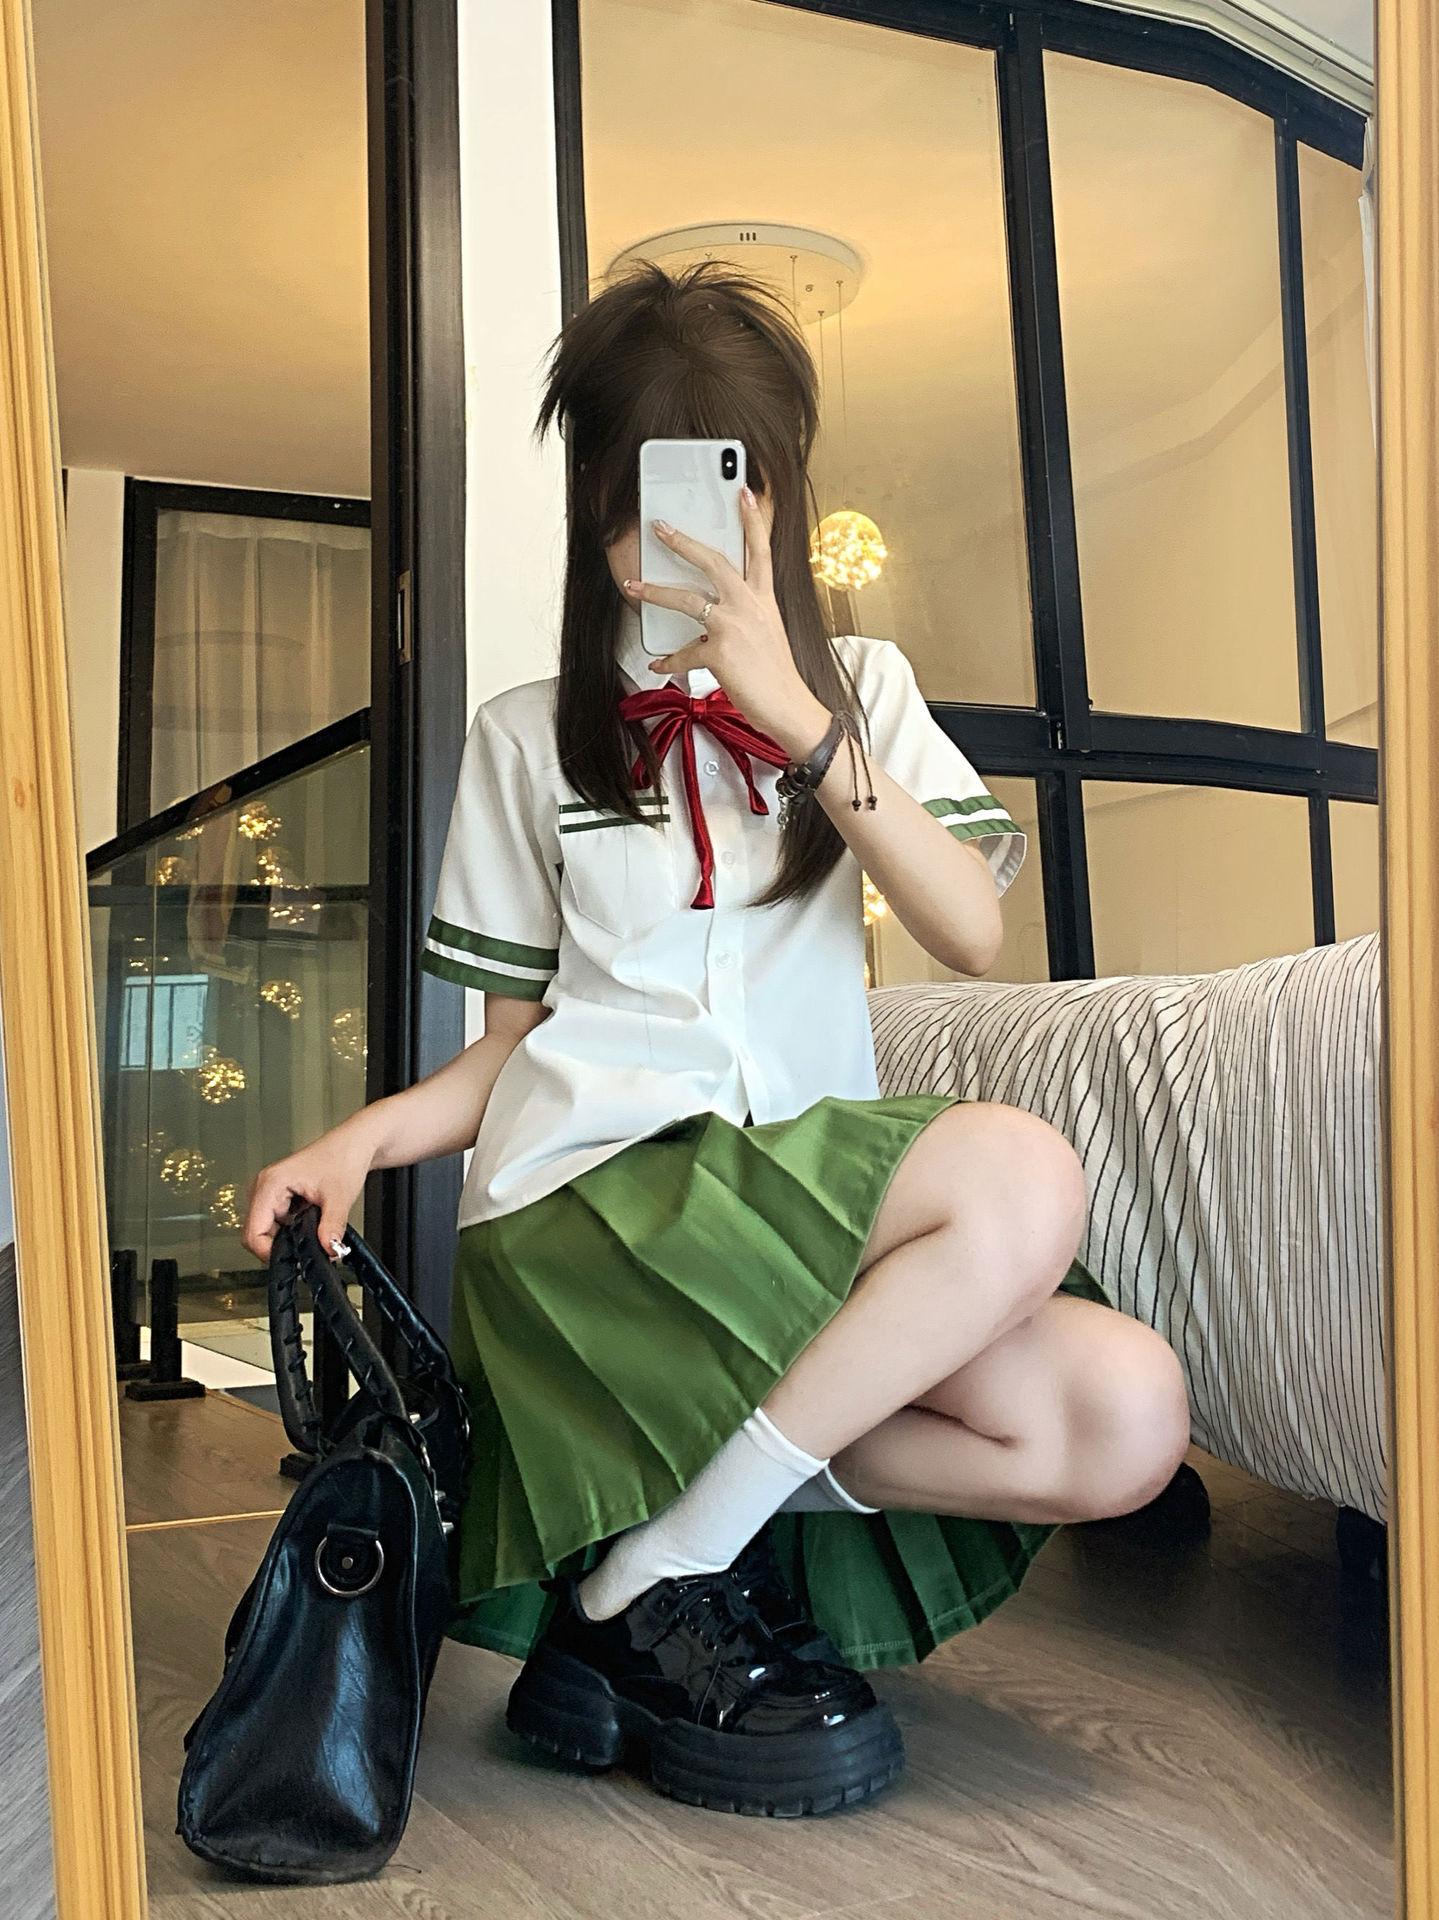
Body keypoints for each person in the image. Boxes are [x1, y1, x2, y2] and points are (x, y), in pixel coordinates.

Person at [244, 261, 1190, 1819]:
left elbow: (971, 927)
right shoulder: (525, 734)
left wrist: (799, 720)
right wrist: (358, 1143)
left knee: (1126, 1415)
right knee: (1022, 1174)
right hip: (592, 1211)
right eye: (641, 499)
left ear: (776, 499)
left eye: (720, 485)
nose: (675, 535)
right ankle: (673, 1564)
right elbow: (515, 1048)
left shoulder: (859, 691)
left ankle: (676, 1532)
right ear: (596, 508)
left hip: (791, 1206)